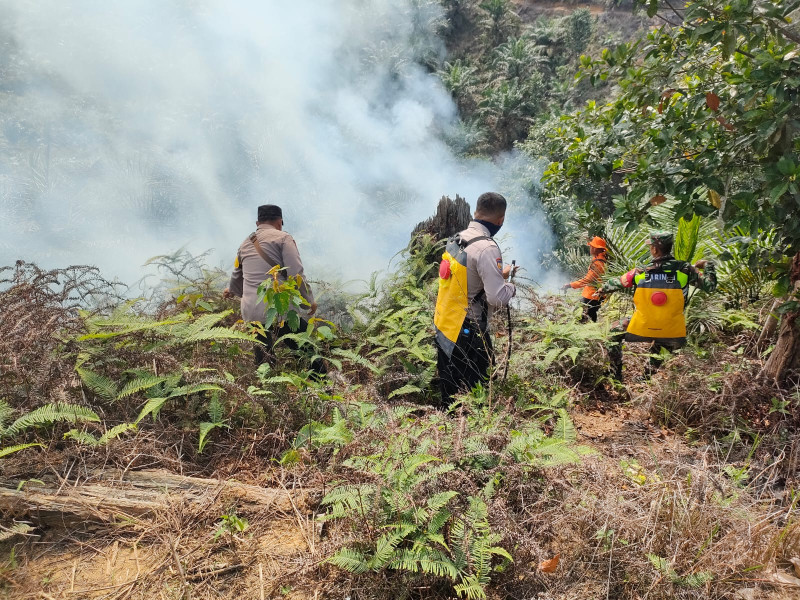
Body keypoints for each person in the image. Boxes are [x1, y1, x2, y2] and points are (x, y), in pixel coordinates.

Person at [433, 192, 517, 406]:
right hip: (468, 331)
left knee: (449, 388)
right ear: (501, 220)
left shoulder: (458, 239)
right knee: (477, 391)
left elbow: (467, 275)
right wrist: (511, 287)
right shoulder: (487, 248)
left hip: (445, 322)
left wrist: (500, 274)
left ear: (476, 212)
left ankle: (446, 431)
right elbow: (497, 298)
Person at [599, 231, 716, 380]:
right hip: (673, 330)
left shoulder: (641, 271)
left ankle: (615, 374)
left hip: (642, 326)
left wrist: (601, 289)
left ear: (654, 249)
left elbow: (615, 283)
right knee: (663, 339)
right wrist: (708, 265)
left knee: (613, 331)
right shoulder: (686, 269)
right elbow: (710, 286)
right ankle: (646, 377)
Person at [224, 204, 324, 373]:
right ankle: (322, 384)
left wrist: (231, 290)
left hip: (251, 311)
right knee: (307, 351)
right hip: (278, 307)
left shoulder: (245, 243)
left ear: (257, 223)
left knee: (263, 358)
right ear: (280, 222)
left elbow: (237, 274)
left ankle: (267, 389)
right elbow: (296, 274)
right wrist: (309, 302)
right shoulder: (284, 238)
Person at [561, 236, 608, 322]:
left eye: (591, 246)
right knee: (589, 317)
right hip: (594, 295)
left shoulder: (598, 263)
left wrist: (570, 285)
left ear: (595, 248)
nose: (590, 248)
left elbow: (588, 280)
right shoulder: (600, 259)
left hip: (592, 296)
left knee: (581, 317)